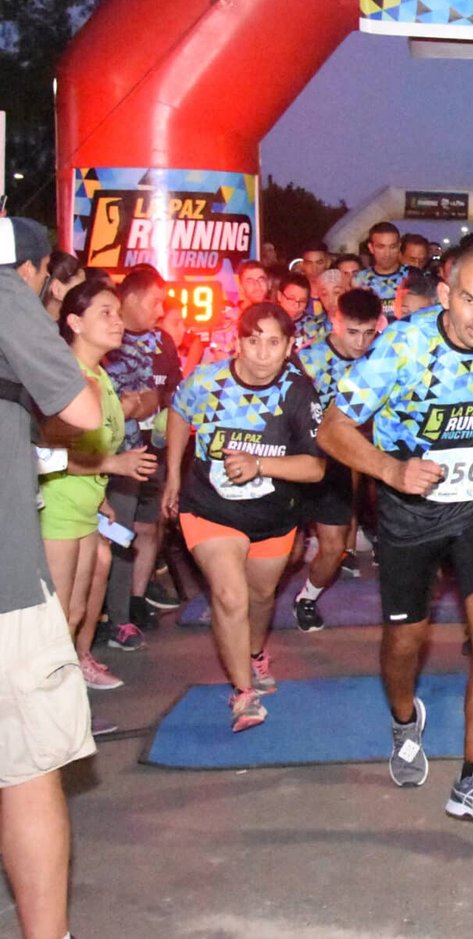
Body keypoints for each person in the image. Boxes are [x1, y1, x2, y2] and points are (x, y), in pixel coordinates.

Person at [319, 248, 473, 829]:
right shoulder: (403, 346)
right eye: (469, 301)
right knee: (405, 643)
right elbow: (332, 428)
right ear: (447, 296)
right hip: (410, 515)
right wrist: (391, 470)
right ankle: (405, 722)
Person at [0, 214, 106, 939]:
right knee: (27, 766)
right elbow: (82, 407)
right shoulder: (7, 291)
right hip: (5, 584)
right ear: (34, 273)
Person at [163, 303, 327, 731]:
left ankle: (254, 654)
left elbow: (315, 468)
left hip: (273, 516)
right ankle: (243, 693)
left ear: (289, 347)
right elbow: (178, 411)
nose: (262, 353)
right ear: (238, 342)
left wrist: (259, 465)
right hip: (210, 508)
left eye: (273, 343)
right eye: (253, 341)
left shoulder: (298, 393)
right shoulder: (208, 381)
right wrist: (173, 476)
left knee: (259, 596)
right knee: (230, 595)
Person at [39, 283, 159, 696]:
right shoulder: (67, 379)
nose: (117, 321)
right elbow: (44, 451)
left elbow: (87, 446)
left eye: (117, 313)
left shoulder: (99, 374)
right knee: (56, 620)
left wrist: (103, 496)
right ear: (74, 323)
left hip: (85, 506)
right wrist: (113, 464)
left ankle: (68, 702)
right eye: (105, 313)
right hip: (58, 508)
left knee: (75, 610)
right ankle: (44, 711)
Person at [291, 288, 384, 631]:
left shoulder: (379, 359)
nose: (360, 342)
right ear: (335, 321)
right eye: (353, 332)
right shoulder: (307, 360)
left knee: (334, 548)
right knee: (288, 553)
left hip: (337, 463)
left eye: (368, 332)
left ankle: (306, 599)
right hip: (296, 461)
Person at [102, 265, 185, 643]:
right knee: (114, 532)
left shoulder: (157, 344)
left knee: (146, 526)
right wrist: (122, 407)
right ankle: (109, 612)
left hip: (149, 448)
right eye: (154, 302)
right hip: (104, 455)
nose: (159, 311)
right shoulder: (102, 347)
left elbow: (159, 396)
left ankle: (132, 603)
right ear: (131, 299)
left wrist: (139, 405)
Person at [352, 223, 408, 318]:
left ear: (399, 247)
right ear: (371, 248)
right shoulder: (359, 280)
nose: (387, 254)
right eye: (381, 247)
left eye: (392, 247)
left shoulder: (412, 275)